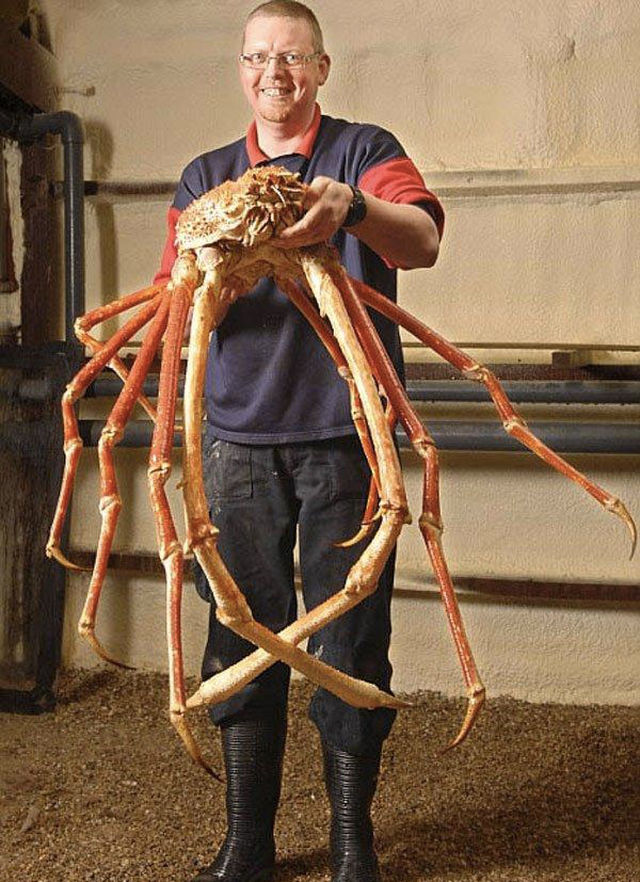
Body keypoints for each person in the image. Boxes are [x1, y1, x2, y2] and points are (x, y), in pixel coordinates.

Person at [154, 3, 444, 880]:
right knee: (237, 633)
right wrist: (214, 275)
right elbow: (170, 306)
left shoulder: (361, 152)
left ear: (320, 67)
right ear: (242, 69)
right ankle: (248, 840)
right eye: (257, 58)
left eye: (291, 57)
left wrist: (350, 209)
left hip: (345, 435)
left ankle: (354, 841)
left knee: (351, 636)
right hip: (233, 440)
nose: (273, 73)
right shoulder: (206, 176)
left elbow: (423, 239)